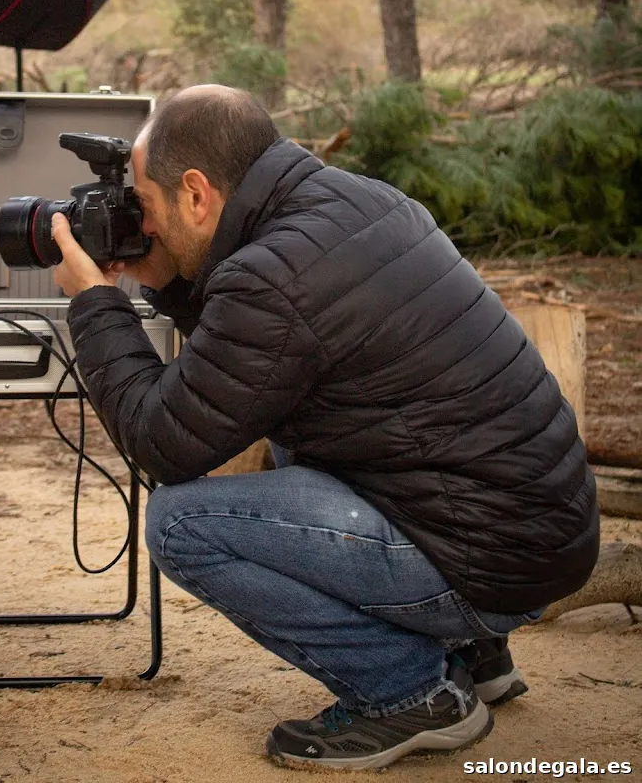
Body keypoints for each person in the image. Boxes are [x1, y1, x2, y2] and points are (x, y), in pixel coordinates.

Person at [50, 84, 598, 771]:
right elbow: (250, 355)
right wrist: (164, 276)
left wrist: (98, 305)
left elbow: (161, 444)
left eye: (148, 208)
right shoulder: (354, 202)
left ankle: (409, 693)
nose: (143, 225)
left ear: (196, 192)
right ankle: (475, 658)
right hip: (528, 537)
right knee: (291, 413)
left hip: (483, 567)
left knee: (180, 523)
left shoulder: (272, 279)